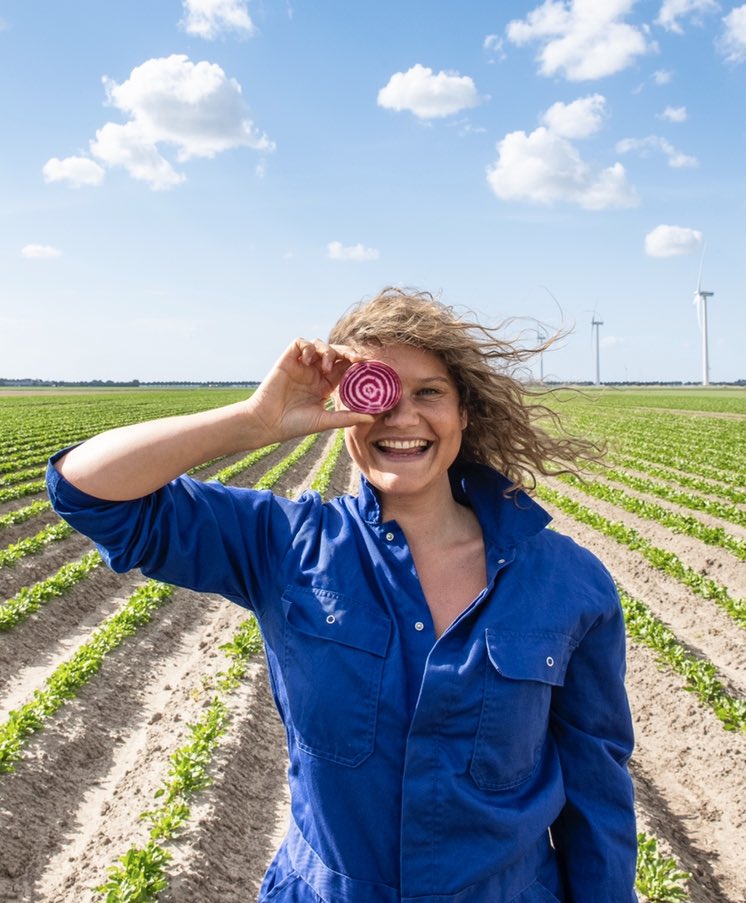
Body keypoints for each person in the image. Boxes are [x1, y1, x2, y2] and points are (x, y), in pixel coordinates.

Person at [47, 287, 638, 902]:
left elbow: (597, 789)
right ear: (342, 406)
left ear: (465, 412)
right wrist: (254, 421)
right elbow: (86, 491)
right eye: (375, 387)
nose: (401, 416)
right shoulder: (284, 546)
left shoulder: (566, 581)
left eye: (429, 392)